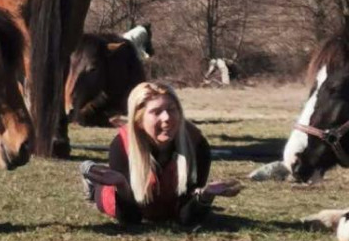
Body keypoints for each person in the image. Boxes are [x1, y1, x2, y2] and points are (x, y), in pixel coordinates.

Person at [79, 80, 242, 226]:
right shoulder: (120, 145)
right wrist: (121, 185)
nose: (167, 118)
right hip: (133, 200)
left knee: (167, 209)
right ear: (139, 120)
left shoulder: (197, 144)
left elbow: (186, 218)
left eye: (172, 109)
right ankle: (93, 185)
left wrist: (205, 196)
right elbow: (131, 219)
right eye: (156, 112)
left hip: (168, 201)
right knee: (107, 197)